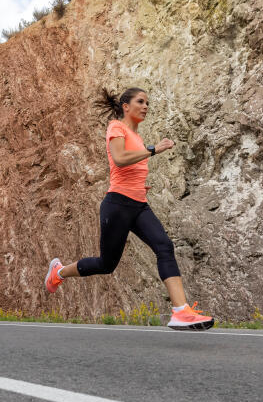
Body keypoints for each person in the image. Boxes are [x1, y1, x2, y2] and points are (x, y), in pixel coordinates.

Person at [44, 88, 214, 330]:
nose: (145, 106)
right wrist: (155, 149)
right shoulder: (117, 127)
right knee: (106, 264)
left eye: (147, 103)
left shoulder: (137, 135)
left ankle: (181, 311)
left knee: (164, 246)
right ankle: (59, 272)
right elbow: (120, 159)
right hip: (118, 204)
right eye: (140, 102)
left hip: (138, 204)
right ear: (126, 106)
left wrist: (140, 184)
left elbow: (129, 167)